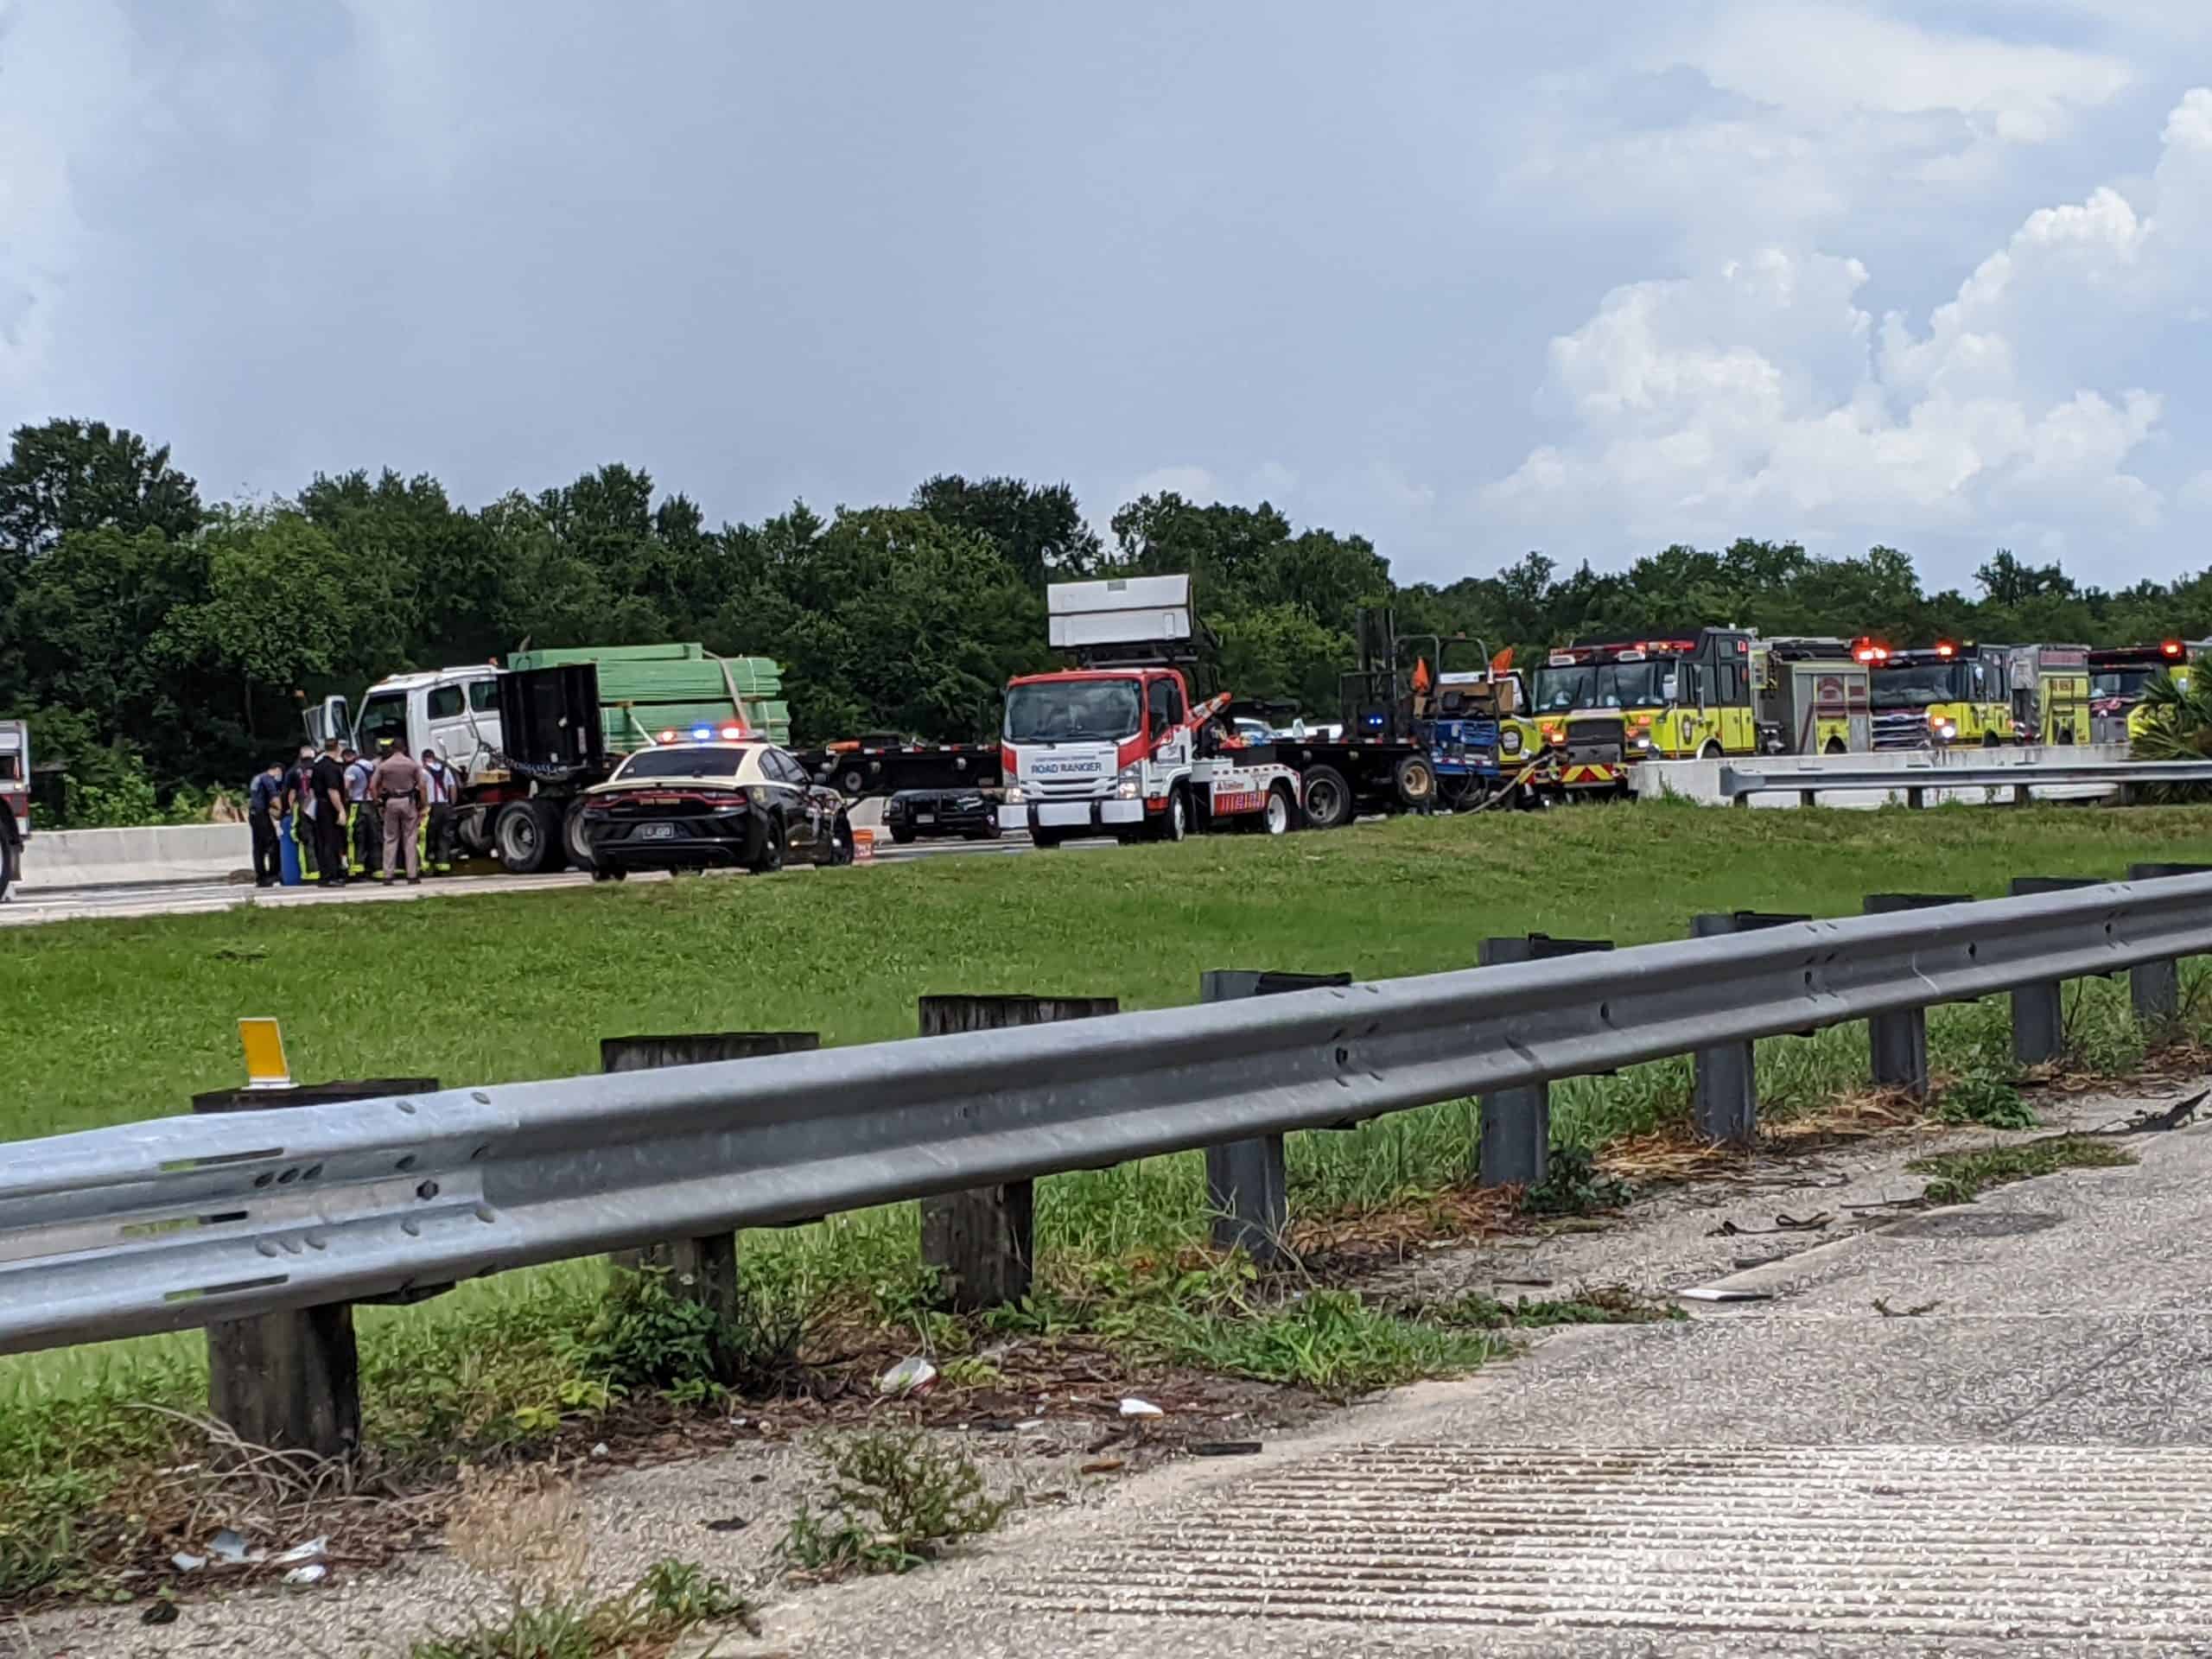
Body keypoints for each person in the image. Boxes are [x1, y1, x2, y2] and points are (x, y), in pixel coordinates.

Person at [370, 738, 426, 884]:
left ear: (392, 749)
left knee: (390, 838)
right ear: (405, 748)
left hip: (391, 802)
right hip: (408, 802)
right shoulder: (412, 765)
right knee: (410, 838)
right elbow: (422, 785)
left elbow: (372, 786)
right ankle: (412, 875)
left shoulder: (384, 766)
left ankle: (388, 875)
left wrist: (377, 802)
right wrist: (423, 805)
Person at [310, 737, 350, 886]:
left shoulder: (318, 765)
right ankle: (331, 876)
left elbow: (313, 789)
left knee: (323, 840)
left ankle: (326, 873)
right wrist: (340, 810)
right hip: (329, 807)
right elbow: (332, 790)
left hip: (320, 805)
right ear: (338, 748)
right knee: (331, 841)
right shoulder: (332, 768)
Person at [420, 745, 460, 874]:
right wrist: (451, 804)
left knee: (429, 834)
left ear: (423, 759)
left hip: (432, 807)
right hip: (445, 806)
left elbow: (423, 789)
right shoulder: (446, 770)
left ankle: (428, 860)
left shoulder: (423, 771)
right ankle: (443, 863)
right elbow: (452, 787)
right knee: (444, 834)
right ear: (433, 757)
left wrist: (424, 805)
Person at [247, 761, 284, 887]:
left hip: (253, 814)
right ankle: (273, 874)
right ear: (277, 770)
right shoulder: (268, 779)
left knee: (258, 847)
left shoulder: (257, 778)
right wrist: (280, 811)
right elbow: (274, 798)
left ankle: (261, 877)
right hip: (261, 815)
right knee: (273, 844)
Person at [344, 746, 379, 878]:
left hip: (357, 805)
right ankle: (377, 868)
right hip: (371, 804)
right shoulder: (373, 768)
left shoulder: (352, 769)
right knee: (374, 836)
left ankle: (356, 869)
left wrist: (346, 798)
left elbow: (347, 786)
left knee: (355, 837)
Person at [285, 745, 319, 881]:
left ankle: (310, 873)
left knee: (305, 839)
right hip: (319, 806)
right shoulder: (319, 767)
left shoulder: (293, 771)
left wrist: (290, 808)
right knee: (322, 838)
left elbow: (291, 792)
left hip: (302, 805)